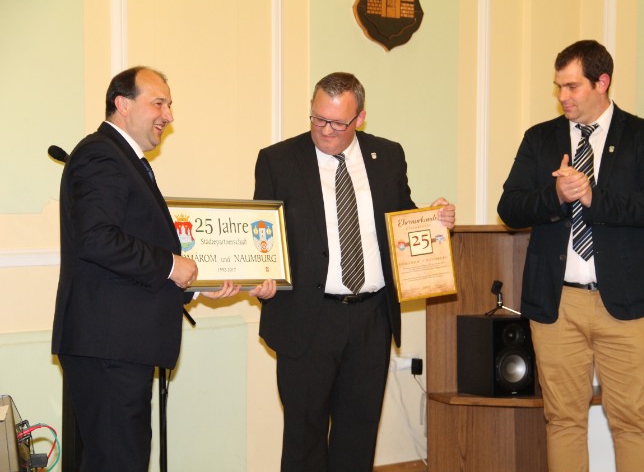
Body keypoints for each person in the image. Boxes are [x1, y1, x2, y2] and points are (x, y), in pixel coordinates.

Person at [51, 66, 275, 471]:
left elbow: (129, 247)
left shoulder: (124, 159)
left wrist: (196, 284)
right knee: (119, 460)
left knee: (119, 457)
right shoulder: (102, 154)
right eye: (158, 103)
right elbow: (97, 239)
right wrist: (172, 265)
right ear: (122, 104)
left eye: (169, 105)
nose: (168, 115)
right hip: (109, 346)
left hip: (118, 346)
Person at [254, 71, 455, 470]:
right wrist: (260, 275)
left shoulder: (388, 156)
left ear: (360, 118)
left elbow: (401, 218)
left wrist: (433, 220)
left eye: (337, 123)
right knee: (304, 437)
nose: (325, 130)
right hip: (308, 317)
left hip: (371, 317)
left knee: (359, 434)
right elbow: (263, 234)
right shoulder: (278, 160)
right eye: (318, 119)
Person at [497, 40, 644, 472]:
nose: (563, 96)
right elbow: (510, 208)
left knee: (633, 421)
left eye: (572, 86)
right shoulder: (540, 138)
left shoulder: (642, 137)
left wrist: (594, 198)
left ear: (602, 82)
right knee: (563, 420)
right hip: (557, 302)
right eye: (559, 86)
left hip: (628, 303)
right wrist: (557, 195)